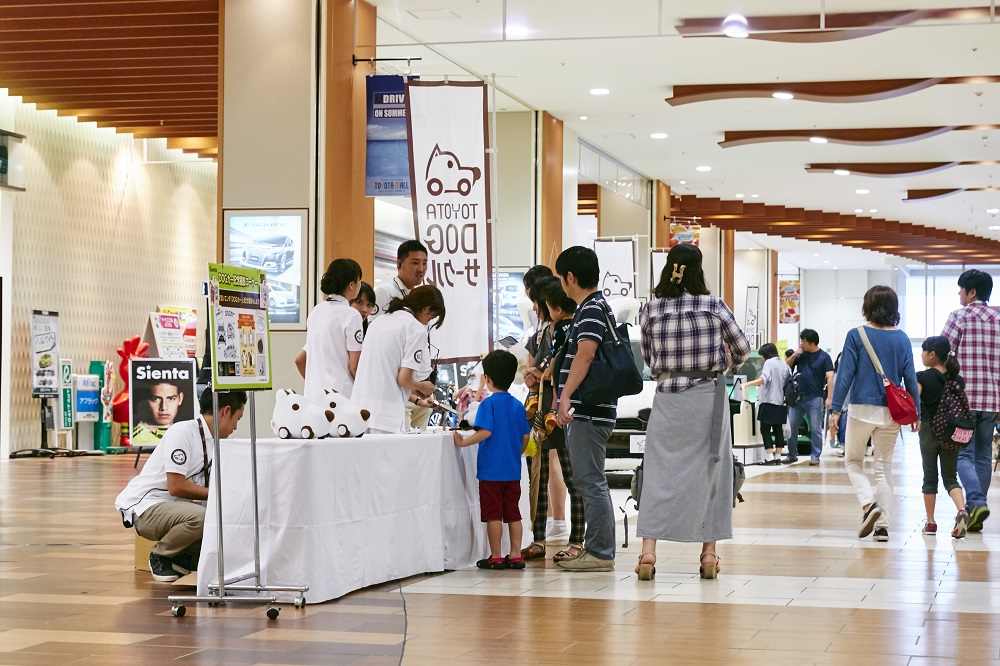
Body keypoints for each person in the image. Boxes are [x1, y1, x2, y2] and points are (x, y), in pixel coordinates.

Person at [634, 244, 751, 581]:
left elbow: (649, 360)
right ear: (699, 270)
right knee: (713, 473)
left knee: (658, 471)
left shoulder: (651, 309)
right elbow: (742, 348)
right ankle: (709, 553)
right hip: (707, 399)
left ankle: (648, 551)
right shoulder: (714, 305)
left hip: (667, 400)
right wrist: (726, 361)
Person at [115, 389, 247, 582]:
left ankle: (182, 559)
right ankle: (161, 555)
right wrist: (219, 495)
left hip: (173, 509)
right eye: (237, 418)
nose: (236, 426)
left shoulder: (214, 442)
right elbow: (175, 486)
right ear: (225, 412)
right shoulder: (183, 432)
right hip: (146, 507)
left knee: (222, 537)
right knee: (202, 518)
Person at [830, 285, 919, 543]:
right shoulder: (902, 338)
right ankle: (882, 527)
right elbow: (910, 378)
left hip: (861, 408)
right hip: (892, 412)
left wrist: (836, 410)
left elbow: (844, 375)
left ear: (867, 306)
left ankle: (868, 505)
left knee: (853, 460)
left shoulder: (856, 335)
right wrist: (917, 414)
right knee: (884, 467)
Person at [552, 246, 618, 572]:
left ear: (570, 277)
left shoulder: (591, 309)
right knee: (590, 480)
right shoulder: (594, 307)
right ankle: (598, 548)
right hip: (592, 410)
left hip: (588, 411)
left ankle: (601, 552)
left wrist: (566, 396)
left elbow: (585, 354)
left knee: (590, 481)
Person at [520, 277, 585, 562]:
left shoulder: (577, 331)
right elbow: (532, 371)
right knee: (537, 477)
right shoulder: (539, 336)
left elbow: (578, 368)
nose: (537, 309)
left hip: (568, 413)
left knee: (575, 478)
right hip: (539, 414)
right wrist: (533, 376)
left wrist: (546, 375)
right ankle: (538, 539)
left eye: (539, 303)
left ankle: (577, 540)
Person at [453, 350, 530, 570]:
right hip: (512, 471)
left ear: (486, 378)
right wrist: (517, 452)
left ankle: (496, 556)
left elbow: (485, 432)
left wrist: (462, 442)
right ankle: (515, 555)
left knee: (494, 515)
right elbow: (525, 436)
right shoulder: (517, 404)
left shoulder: (488, 404)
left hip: (490, 472)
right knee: (514, 514)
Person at [941, 269, 1000, 533]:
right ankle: (978, 511)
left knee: (962, 454)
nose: (958, 294)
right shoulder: (999, 319)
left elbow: (941, 350)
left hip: (963, 401)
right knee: (984, 455)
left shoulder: (959, 316)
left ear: (971, 292)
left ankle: (975, 501)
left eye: (961, 289)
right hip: (992, 401)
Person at [353, 285, 443, 434]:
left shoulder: (378, 321)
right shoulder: (415, 328)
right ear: (426, 309)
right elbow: (403, 379)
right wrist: (422, 386)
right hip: (386, 415)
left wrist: (413, 389)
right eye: (431, 318)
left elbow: (386, 371)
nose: (427, 323)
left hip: (359, 411)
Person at [372, 240, 434, 429]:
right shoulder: (385, 293)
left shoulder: (418, 296)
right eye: (415, 263)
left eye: (424, 263)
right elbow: (379, 346)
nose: (421, 269)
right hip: (396, 387)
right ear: (399, 264)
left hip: (414, 386)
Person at [917, 336, 968, 539]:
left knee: (930, 479)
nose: (921, 355)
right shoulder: (957, 379)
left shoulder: (922, 376)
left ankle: (930, 523)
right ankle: (962, 511)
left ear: (932, 355)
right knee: (950, 478)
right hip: (951, 433)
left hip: (929, 431)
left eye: (923, 351)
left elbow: (913, 401)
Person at [294, 259, 364, 398]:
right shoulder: (351, 315)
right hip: (341, 398)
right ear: (352, 284)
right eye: (359, 280)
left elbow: (300, 360)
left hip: (314, 396)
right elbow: (355, 366)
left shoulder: (316, 311)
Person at [785, 328, 834, 465]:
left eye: (804, 342)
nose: (802, 344)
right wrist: (795, 354)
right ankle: (791, 454)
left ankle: (815, 455)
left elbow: (830, 377)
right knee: (792, 427)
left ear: (812, 342)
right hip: (797, 397)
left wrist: (829, 398)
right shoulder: (801, 355)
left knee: (815, 427)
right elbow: (787, 367)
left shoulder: (824, 357)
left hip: (815, 398)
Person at [745, 343, 789, 465]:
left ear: (766, 355)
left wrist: (746, 384)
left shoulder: (769, 363)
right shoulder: (783, 365)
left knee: (765, 429)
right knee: (778, 430)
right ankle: (778, 457)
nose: (761, 359)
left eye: (762, 356)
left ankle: (769, 457)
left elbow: (764, 379)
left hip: (768, 401)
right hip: (780, 401)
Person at [132, 379, 189, 445]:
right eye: (155, 399)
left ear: (180, 398)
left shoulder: (184, 434)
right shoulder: (137, 438)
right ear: (146, 400)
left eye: (171, 399)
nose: (164, 407)